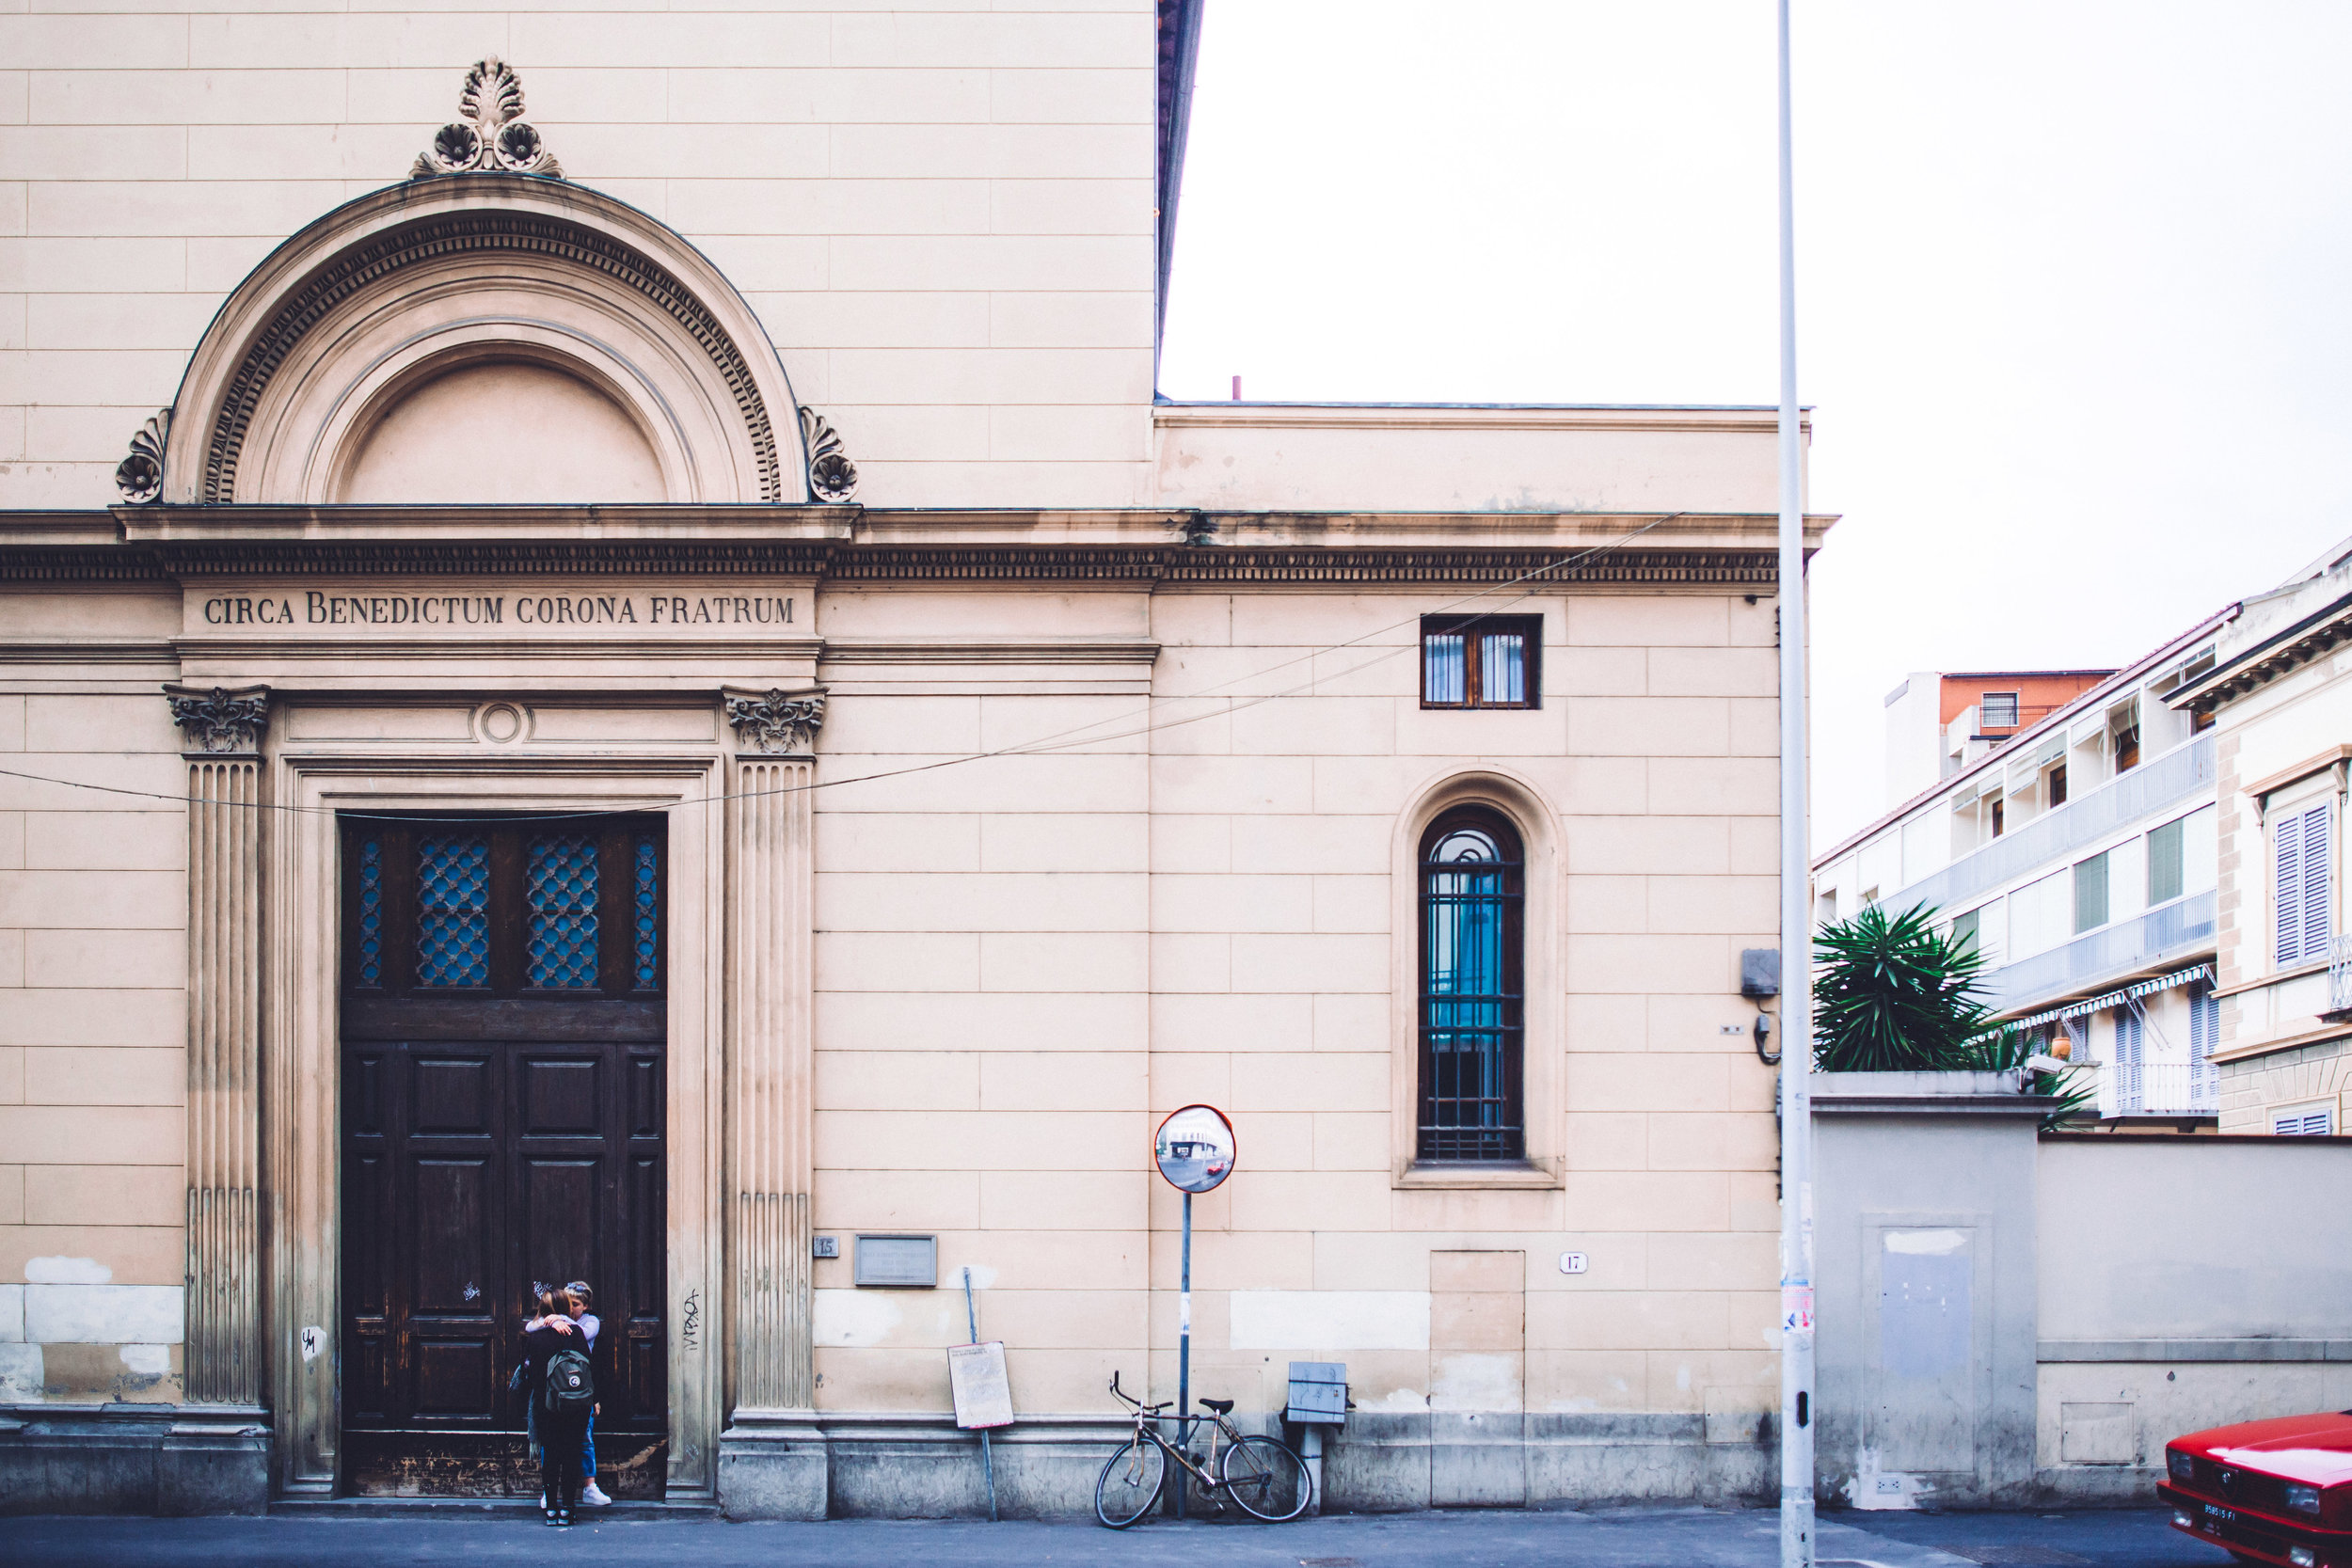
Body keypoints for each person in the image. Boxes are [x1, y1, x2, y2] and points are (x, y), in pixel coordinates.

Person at [522, 1288, 602, 1526]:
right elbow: (588, 1368)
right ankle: (568, 1509)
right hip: (575, 1405)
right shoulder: (576, 1333)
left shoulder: (536, 1337)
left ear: (543, 1310)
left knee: (551, 1457)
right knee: (571, 1455)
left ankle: (551, 1509)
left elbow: (530, 1373)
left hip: (547, 1405)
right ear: (566, 1309)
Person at [563, 1281, 611, 1508]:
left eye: (576, 1304)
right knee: (554, 1440)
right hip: (560, 1383)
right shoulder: (558, 1319)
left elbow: (580, 1334)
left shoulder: (591, 1322)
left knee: (586, 1437)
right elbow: (533, 1327)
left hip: (583, 1385)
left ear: (586, 1305)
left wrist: (557, 1318)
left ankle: (589, 1486)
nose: (571, 1308)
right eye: (567, 1304)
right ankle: (550, 1487)